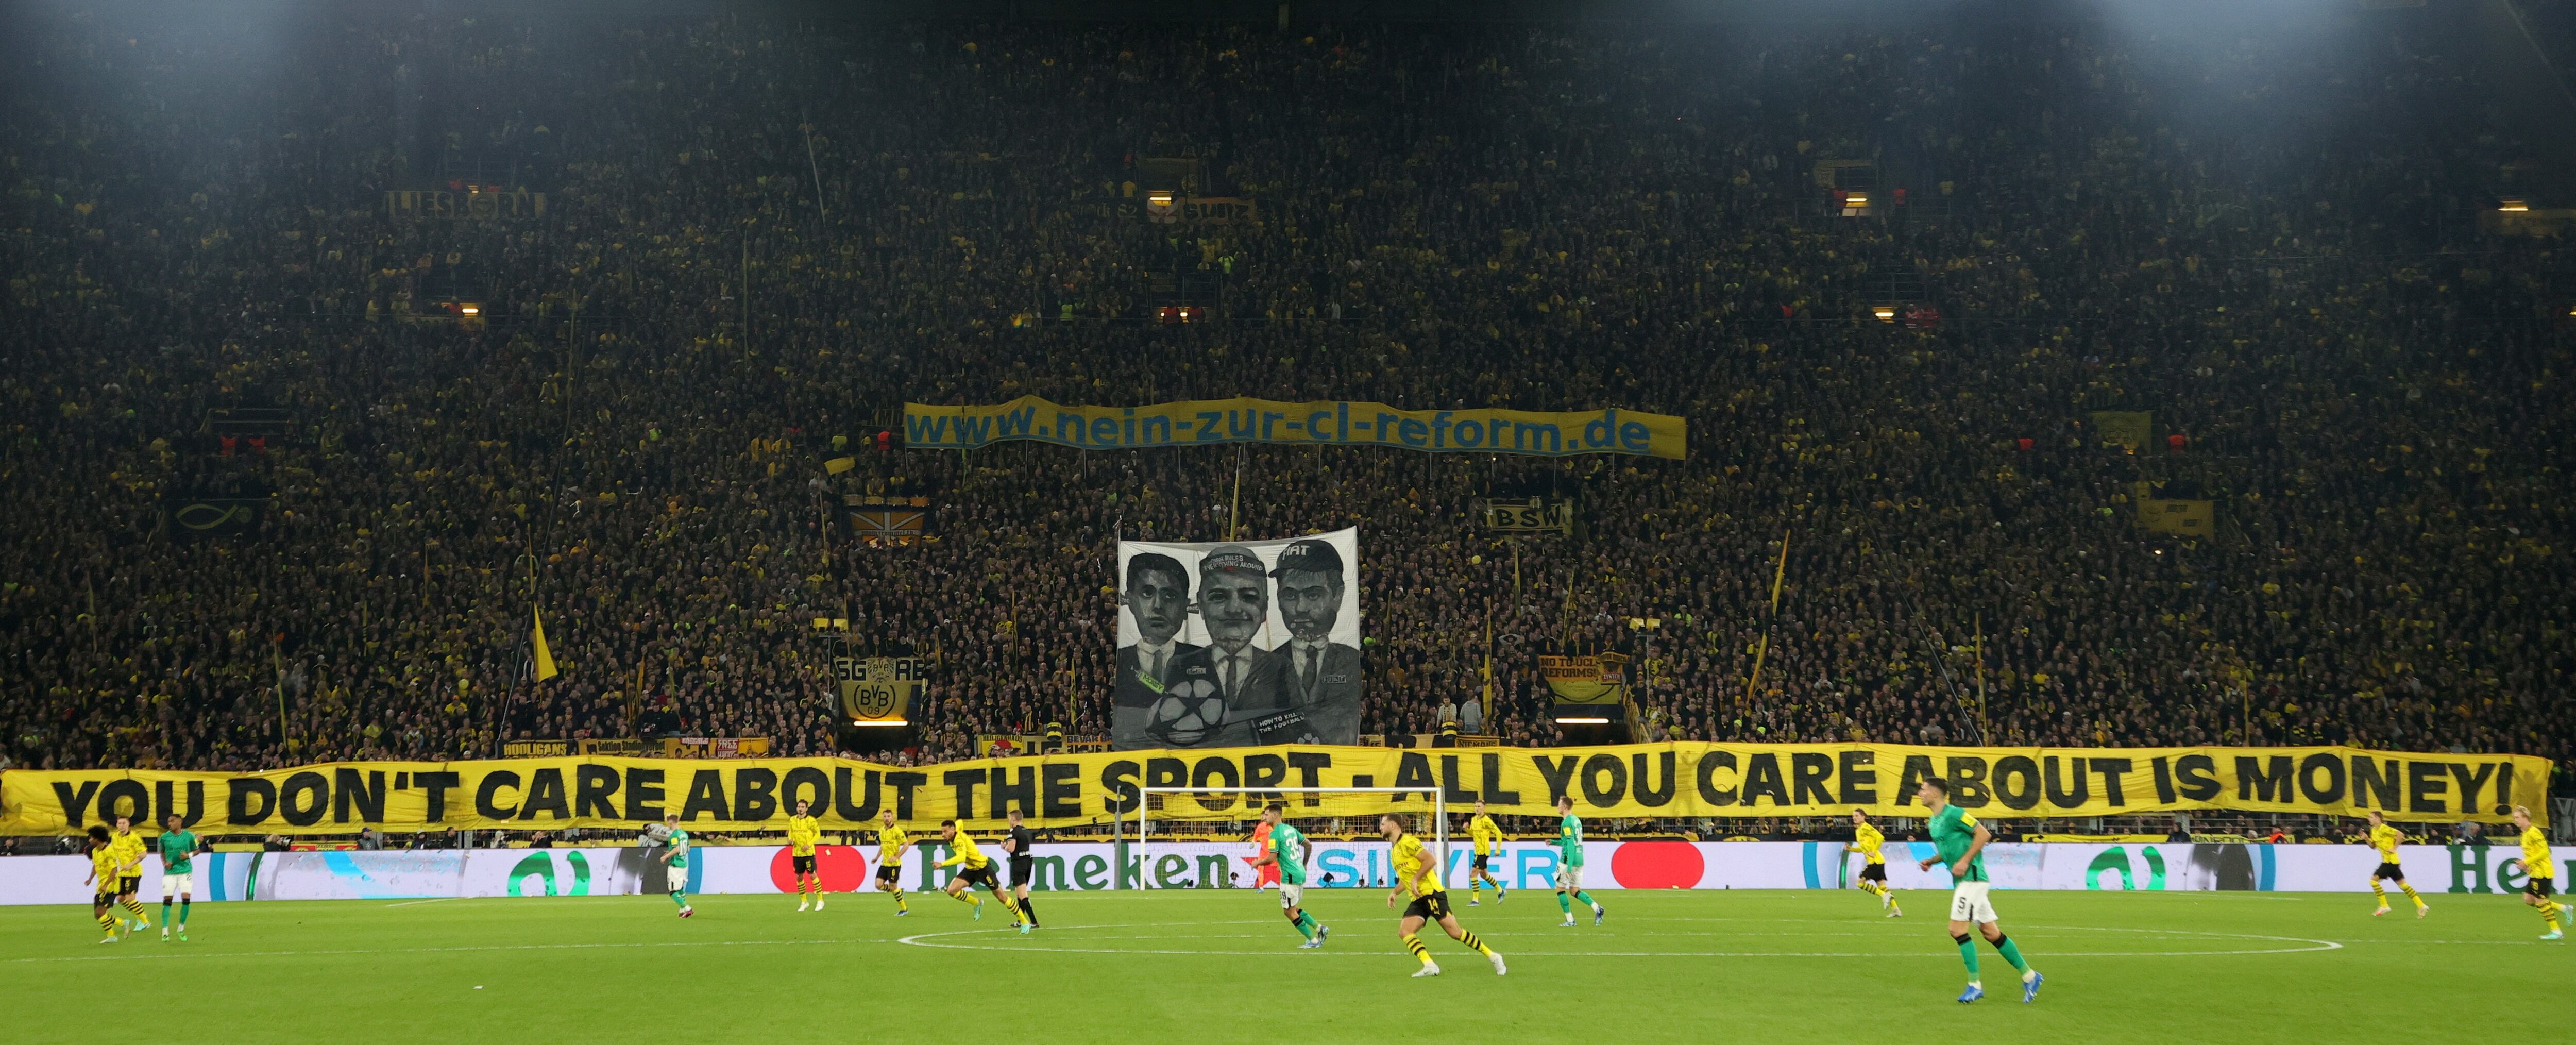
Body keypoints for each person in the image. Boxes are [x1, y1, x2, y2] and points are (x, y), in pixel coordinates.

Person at [1916, 777, 2039, 1003]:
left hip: (1972, 878)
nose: (1919, 793)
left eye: (1923, 790)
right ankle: (2030, 976)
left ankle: (1975, 985)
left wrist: (1965, 861)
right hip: (1962, 881)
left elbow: (1983, 834)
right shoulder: (1934, 821)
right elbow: (1950, 849)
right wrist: (1932, 861)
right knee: (1992, 933)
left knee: (1957, 930)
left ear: (1935, 793)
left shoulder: (1955, 813)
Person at [1160, 545, 1291, 747]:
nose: (1233, 609)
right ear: (1201, 606)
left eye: (1248, 597)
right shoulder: (1180, 666)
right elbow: (1167, 729)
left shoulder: (1281, 667)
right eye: (1219, 597)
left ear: (1264, 608)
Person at [1380, 812, 1505, 977]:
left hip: (1432, 894)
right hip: (1418, 899)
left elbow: (1430, 860)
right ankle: (1430, 965)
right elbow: (1408, 878)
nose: (1380, 828)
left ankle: (1493, 956)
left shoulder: (1408, 842)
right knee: (1405, 931)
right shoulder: (1394, 850)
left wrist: (1416, 879)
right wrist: (1395, 892)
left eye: (1383, 824)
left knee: (1456, 933)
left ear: (1393, 826)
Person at [1272, 538, 1364, 744]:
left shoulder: (1353, 661)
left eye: (1313, 595)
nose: (1301, 608)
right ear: (1278, 598)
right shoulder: (1267, 666)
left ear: (1337, 596)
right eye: (1290, 595)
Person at [1111, 552, 1202, 745]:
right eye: (1147, 593)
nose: (1158, 606)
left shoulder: (1202, 659)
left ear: (1185, 608)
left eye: (1170, 595)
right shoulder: (1118, 660)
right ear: (1131, 601)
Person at [1248, 803, 1327, 948]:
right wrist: (1304, 864)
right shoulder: (1291, 830)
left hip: (1289, 876)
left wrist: (1258, 862)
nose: (1265, 817)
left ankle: (1313, 941)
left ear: (1275, 815)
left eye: (1267, 814)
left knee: (1288, 912)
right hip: (1300, 873)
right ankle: (1320, 928)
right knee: (1294, 908)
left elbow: (1271, 858)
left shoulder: (1275, 834)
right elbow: (1308, 845)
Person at [936, 819, 1027, 932]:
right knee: (952, 890)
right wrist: (957, 827)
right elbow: (960, 822)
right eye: (942, 832)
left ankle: (1024, 921)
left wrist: (942, 864)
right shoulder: (955, 832)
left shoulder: (959, 841)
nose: (943, 835)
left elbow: (961, 858)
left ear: (952, 830)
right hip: (970, 869)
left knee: (1002, 897)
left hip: (983, 868)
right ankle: (976, 903)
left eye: (945, 832)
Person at [2512, 805, 2568, 940]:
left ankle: (2557, 931)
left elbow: (2545, 852)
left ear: (2526, 818)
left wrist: (2527, 861)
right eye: (2514, 818)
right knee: (2528, 899)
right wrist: (2527, 865)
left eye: (2518, 818)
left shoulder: (2534, 832)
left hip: (2542, 872)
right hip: (2535, 872)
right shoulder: (2525, 834)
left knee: (2540, 902)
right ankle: (2563, 908)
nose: (2515, 821)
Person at [1552, 794, 1603, 927]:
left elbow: (1570, 844)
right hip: (1579, 859)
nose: (1557, 806)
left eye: (1559, 804)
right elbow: (1569, 841)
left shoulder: (1567, 822)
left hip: (1568, 860)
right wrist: (1553, 842)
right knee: (1574, 890)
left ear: (1564, 806)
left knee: (1560, 889)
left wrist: (1568, 867)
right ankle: (1597, 908)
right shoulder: (1576, 820)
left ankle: (1570, 921)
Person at [2364, 810, 2426, 918]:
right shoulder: (2373, 830)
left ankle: (2384, 905)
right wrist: (2366, 839)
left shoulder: (2384, 828)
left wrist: (2394, 847)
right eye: (2369, 817)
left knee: (2373, 881)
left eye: (2372, 817)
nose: (2370, 819)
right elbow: (2373, 846)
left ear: (2379, 819)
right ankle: (2422, 905)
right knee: (2403, 886)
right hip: (2392, 862)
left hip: (2390, 862)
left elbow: (2401, 835)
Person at [156, 813, 200, 941]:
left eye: (172, 821)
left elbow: (197, 850)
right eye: (168, 821)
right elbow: (162, 852)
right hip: (170, 874)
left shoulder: (188, 836)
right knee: (167, 901)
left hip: (185, 872)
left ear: (179, 822)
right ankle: (165, 932)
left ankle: (181, 929)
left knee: (186, 900)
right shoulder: (165, 837)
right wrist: (165, 863)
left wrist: (188, 856)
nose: (169, 824)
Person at [1848, 809, 1900, 918]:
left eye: (1857, 816)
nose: (1855, 818)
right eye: (1853, 816)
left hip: (1875, 861)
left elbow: (1881, 837)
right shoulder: (1858, 830)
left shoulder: (1866, 827)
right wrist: (1851, 849)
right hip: (1878, 861)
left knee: (1860, 883)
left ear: (1863, 817)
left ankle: (1884, 896)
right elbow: (1863, 849)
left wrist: (1874, 851)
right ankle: (1896, 910)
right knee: (1882, 887)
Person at [107, 815, 151, 933]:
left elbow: (143, 854)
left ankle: (145, 922)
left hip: (133, 872)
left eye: (124, 823)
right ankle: (140, 915)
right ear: (117, 825)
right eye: (119, 823)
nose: (121, 826)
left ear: (128, 824)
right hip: (121, 873)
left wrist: (131, 864)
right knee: (120, 898)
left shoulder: (134, 838)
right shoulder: (115, 837)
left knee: (130, 898)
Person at [80, 825, 123, 943]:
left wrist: (106, 885)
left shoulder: (109, 851)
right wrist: (90, 879)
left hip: (111, 886)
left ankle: (112, 937)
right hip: (102, 886)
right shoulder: (95, 851)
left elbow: (114, 870)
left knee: (100, 913)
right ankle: (122, 923)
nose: (89, 840)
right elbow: (96, 866)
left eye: (91, 838)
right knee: (98, 915)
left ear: (97, 839)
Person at [1002, 808, 1042, 930]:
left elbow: (1011, 849)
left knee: (1022, 894)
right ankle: (1020, 920)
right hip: (1028, 862)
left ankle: (1034, 922)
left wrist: (1004, 846)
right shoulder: (1027, 832)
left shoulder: (1014, 832)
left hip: (1018, 863)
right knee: (1019, 894)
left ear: (1013, 819)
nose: (1009, 822)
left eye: (1010, 819)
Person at [1466, 800, 1506, 905]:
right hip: (1477, 851)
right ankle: (1500, 890)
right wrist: (1466, 830)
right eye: (1475, 806)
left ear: (1484, 808)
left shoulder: (1487, 820)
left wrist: (1498, 849)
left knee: (1473, 874)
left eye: (1479, 806)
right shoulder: (1473, 819)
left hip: (1483, 852)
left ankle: (1475, 900)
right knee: (1484, 875)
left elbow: (1498, 833)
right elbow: (1473, 834)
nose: (1477, 808)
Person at [788, 798, 824, 911]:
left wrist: (809, 844)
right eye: (799, 807)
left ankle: (820, 900)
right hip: (797, 853)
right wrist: (790, 839)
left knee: (813, 875)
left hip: (808, 853)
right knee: (799, 877)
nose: (800, 809)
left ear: (807, 809)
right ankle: (804, 901)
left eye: (803, 807)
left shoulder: (811, 821)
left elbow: (818, 834)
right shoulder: (793, 820)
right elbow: (791, 832)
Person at [875, 809, 912, 916]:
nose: (886, 818)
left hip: (894, 866)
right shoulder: (881, 830)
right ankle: (899, 892)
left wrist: (896, 857)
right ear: (882, 818)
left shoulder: (897, 831)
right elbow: (883, 845)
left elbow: (906, 845)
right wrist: (877, 857)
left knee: (893, 887)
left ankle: (904, 909)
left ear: (892, 818)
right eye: (885, 816)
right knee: (878, 885)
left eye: (888, 816)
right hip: (884, 863)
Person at [658, 812, 694, 918]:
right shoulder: (684, 834)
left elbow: (677, 849)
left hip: (675, 865)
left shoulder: (674, 835)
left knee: (673, 892)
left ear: (670, 822)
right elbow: (687, 849)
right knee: (680, 889)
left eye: (667, 822)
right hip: (684, 864)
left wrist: (665, 857)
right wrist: (671, 851)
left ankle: (688, 909)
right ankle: (682, 911)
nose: (667, 825)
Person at [1250, 815, 1279, 890]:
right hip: (1263, 851)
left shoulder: (1273, 826)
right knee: (1260, 868)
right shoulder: (1260, 827)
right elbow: (1256, 836)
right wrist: (1253, 842)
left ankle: (1286, 886)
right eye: (1262, 816)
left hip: (1273, 850)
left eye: (1265, 816)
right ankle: (1261, 887)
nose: (1263, 818)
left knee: (1279, 868)